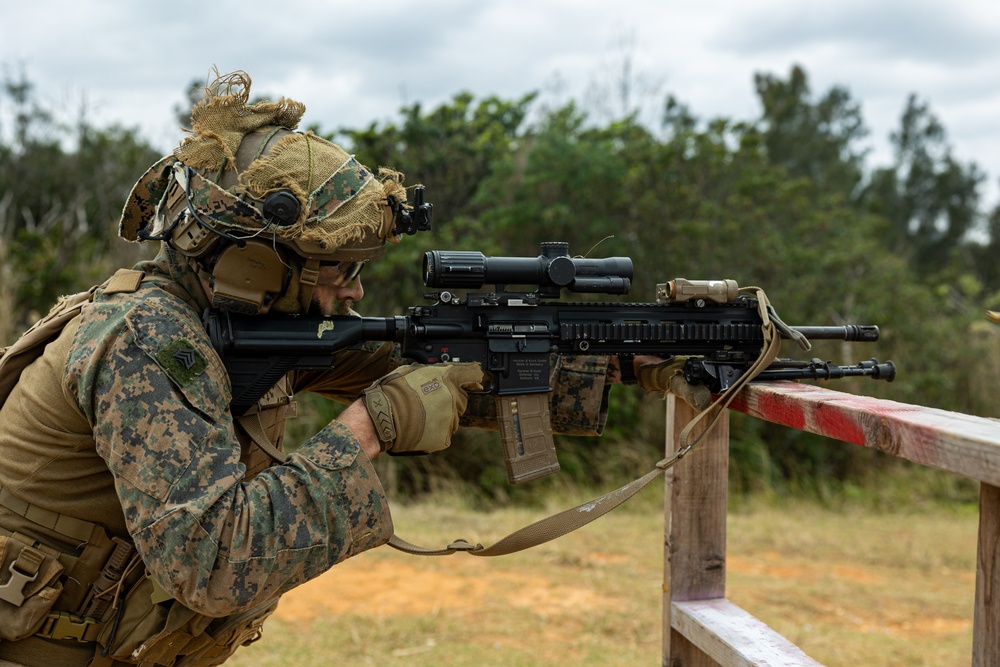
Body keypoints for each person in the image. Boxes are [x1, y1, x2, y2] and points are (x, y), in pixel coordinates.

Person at [0, 71, 676, 666]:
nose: (352, 291)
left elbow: (428, 369)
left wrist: (618, 361)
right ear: (255, 262)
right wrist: (369, 427)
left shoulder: (236, 324)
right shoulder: (146, 342)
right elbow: (212, 561)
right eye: (337, 269)